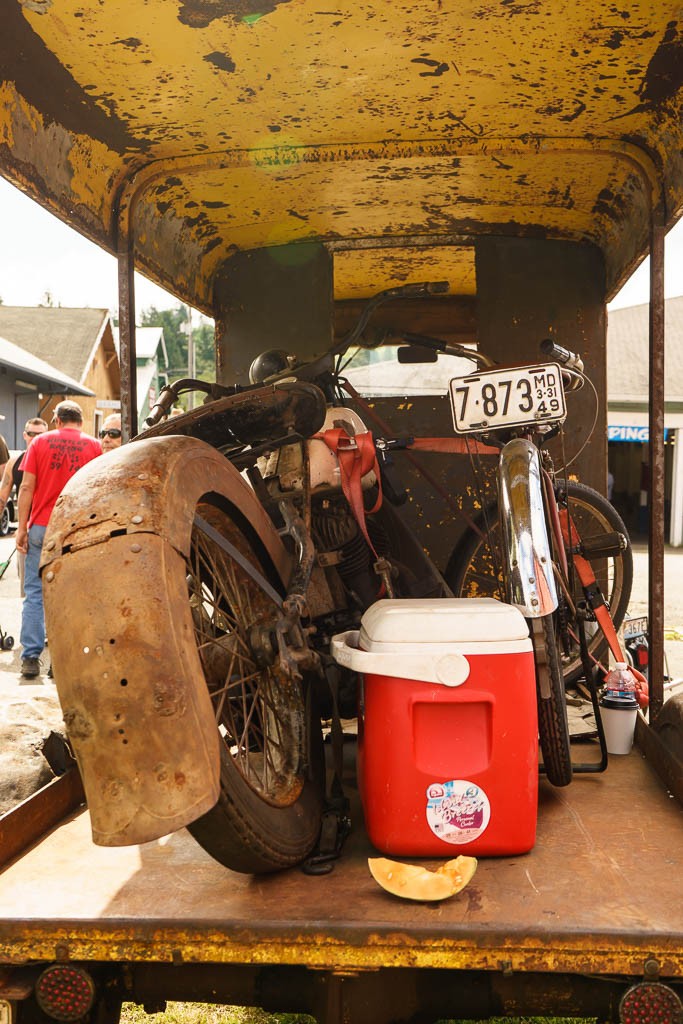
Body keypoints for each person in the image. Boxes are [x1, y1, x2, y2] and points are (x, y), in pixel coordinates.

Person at [16, 400, 102, 678]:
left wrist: (21, 528)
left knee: (35, 593)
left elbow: (27, 486)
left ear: (56, 420)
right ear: (81, 421)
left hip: (42, 527)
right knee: (74, 595)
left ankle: (30, 659)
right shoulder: (94, 446)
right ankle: (61, 662)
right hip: (76, 528)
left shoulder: (39, 443)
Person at [0, 417, 49, 595]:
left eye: (40, 434)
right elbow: (2, 496)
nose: (35, 438)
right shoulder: (14, 462)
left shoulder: (54, 461)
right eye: (31, 434)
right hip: (27, 534)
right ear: (24, 435)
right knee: (29, 592)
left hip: (54, 530)